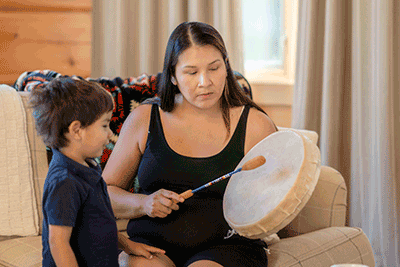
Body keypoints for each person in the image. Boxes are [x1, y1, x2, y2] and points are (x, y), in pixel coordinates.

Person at [103, 21, 277, 267]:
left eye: (214, 68)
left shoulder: (256, 124)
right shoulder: (144, 118)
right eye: (192, 72)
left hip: (228, 246)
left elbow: (278, 195)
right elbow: (103, 194)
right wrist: (144, 203)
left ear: (226, 68)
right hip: (152, 245)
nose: (205, 82)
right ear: (173, 75)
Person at [29, 77, 165, 267]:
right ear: (77, 130)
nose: (110, 134)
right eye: (104, 125)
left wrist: (127, 245)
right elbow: (58, 242)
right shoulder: (64, 181)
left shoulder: (88, 167)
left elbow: (97, 222)